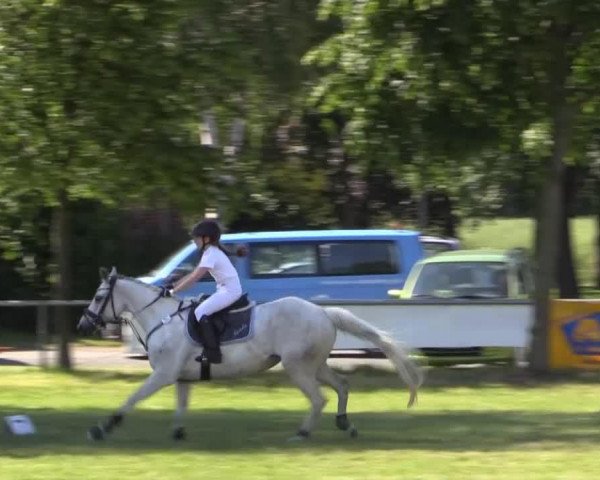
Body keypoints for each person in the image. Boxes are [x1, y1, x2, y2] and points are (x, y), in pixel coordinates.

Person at [165, 219, 242, 363]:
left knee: (200, 312)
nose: (194, 241)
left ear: (206, 239)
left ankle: (213, 353)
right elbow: (193, 273)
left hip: (230, 291)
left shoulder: (211, 253)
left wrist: (173, 292)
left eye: (197, 238)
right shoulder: (210, 252)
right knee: (199, 307)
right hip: (224, 289)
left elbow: (195, 278)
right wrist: (173, 285)